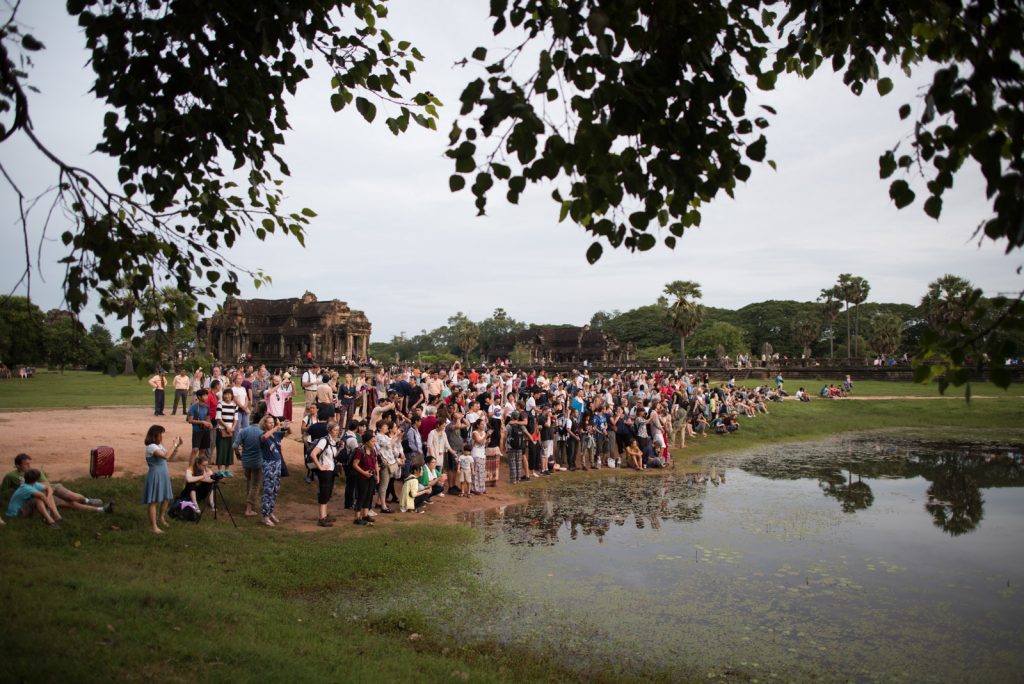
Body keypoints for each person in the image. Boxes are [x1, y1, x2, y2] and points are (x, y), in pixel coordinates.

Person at [2, 453, 111, 514]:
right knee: (68, 504)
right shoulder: (10, 476)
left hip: (51, 489)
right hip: (41, 495)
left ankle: (87, 500)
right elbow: (4, 492)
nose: (29, 466)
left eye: (29, 463)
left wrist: (28, 485)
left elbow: (46, 484)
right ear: (17, 465)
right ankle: (100, 510)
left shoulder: (34, 472)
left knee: (72, 496)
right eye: (26, 464)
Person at [142, 424, 183, 534]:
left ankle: (161, 518)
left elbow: (169, 458)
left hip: (163, 474)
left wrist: (177, 447)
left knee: (166, 498)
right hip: (156, 475)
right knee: (153, 501)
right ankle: (153, 526)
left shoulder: (159, 445)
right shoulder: (151, 447)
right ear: (156, 435)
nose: (162, 436)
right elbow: (165, 456)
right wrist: (174, 444)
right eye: (161, 434)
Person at [258, 415, 289, 527]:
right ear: (264, 424)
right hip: (269, 465)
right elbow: (265, 437)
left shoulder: (276, 435)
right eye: (269, 423)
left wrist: (285, 425)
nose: (271, 424)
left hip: (277, 464)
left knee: (275, 490)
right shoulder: (262, 435)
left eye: (272, 422)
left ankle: (270, 512)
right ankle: (265, 516)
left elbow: (288, 433)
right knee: (268, 490)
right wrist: (276, 427)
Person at [232, 417, 266, 518]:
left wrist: (238, 454)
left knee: (249, 481)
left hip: (246, 462)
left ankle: (249, 503)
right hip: (257, 463)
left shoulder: (244, 431)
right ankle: (249, 509)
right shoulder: (262, 433)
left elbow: (234, 446)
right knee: (255, 485)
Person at [352, 431, 378, 525]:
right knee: (361, 496)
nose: (374, 443)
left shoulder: (373, 450)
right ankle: (357, 517)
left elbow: (375, 463)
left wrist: (377, 475)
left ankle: (365, 514)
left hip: (371, 476)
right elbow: (355, 464)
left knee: (369, 495)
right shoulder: (360, 450)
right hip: (362, 477)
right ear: (367, 441)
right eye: (372, 441)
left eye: (375, 441)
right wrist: (364, 473)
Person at [186, 388, 213, 465]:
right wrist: (202, 422)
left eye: (206, 395)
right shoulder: (193, 407)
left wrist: (210, 424)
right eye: (204, 396)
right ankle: (190, 468)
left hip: (205, 431)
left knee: (203, 450)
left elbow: (208, 419)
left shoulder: (207, 407)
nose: (206, 397)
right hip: (197, 431)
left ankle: (199, 467)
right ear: (199, 397)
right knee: (195, 449)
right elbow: (190, 420)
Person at [215, 387, 238, 472]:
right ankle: (220, 470)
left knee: (229, 450)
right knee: (221, 449)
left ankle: (227, 470)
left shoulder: (234, 405)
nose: (227, 396)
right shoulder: (220, 404)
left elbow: (235, 418)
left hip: (230, 431)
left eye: (229, 394)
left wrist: (232, 428)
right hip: (221, 430)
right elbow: (218, 418)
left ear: (232, 395)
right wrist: (227, 427)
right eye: (225, 394)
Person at [469, 418, 487, 495]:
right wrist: (487, 436)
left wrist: (487, 440)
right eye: (482, 424)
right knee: (476, 472)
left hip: (482, 453)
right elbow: (480, 442)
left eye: (484, 424)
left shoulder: (483, 432)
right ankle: (474, 488)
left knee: (482, 472)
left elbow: (484, 444)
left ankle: (481, 488)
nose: (484, 426)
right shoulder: (474, 433)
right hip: (476, 453)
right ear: (477, 425)